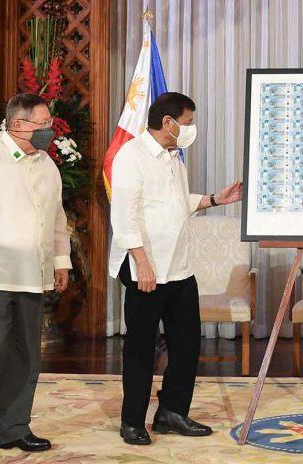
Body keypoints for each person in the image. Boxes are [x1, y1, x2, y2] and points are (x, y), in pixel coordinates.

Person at [109, 92, 243, 445]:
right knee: (141, 348)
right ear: (167, 123)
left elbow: (176, 203)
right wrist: (142, 263)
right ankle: (132, 420)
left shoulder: (173, 158)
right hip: (146, 268)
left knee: (186, 344)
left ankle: (172, 412)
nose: (190, 129)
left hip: (179, 267)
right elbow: (124, 217)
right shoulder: (131, 157)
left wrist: (215, 199)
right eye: (187, 123)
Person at [0, 92, 72, 459]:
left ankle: (14, 429)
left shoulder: (47, 165)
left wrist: (61, 261)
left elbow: (57, 218)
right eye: (44, 124)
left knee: (25, 356)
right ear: (19, 125)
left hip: (33, 276)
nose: (49, 130)